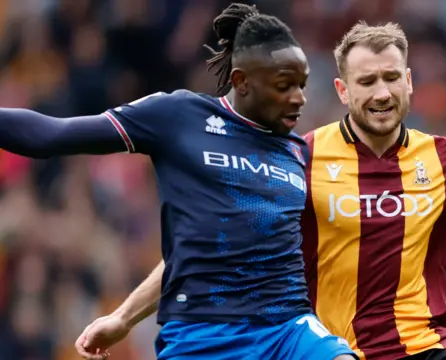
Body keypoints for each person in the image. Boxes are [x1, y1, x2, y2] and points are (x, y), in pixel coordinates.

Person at [75, 22, 446, 360]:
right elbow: (205, 255)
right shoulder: (297, 159)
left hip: (423, 351)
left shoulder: (445, 163)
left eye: (392, 77)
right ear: (343, 89)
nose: (381, 92)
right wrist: (125, 317)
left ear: (411, 83)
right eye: (367, 80)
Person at [0, 3, 356, 360]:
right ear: (242, 81)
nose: (300, 98)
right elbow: (51, 135)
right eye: (284, 86)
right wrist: (125, 317)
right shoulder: (178, 117)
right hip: (204, 333)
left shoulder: (297, 152)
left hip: (288, 330)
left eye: (302, 85)